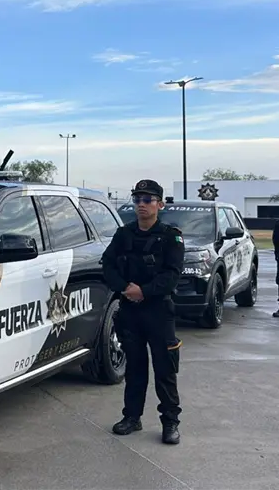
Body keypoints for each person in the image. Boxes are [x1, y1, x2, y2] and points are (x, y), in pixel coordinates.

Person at [101, 179, 185, 445]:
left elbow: (172, 275)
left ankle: (170, 422)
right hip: (130, 311)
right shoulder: (123, 234)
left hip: (159, 312)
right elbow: (108, 265)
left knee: (165, 371)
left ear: (160, 204)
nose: (141, 205)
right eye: (137, 200)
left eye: (148, 200)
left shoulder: (171, 236)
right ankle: (131, 417)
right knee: (135, 369)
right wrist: (125, 288)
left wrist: (144, 291)